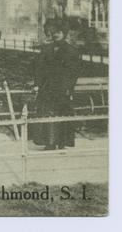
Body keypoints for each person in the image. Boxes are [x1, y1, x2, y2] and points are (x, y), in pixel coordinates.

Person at [32, 18, 80, 150]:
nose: (55, 34)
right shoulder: (47, 49)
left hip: (63, 88)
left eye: (58, 32)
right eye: (52, 32)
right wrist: (37, 84)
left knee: (62, 114)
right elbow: (39, 68)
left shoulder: (71, 51)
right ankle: (50, 142)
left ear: (63, 33)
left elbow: (73, 73)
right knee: (47, 113)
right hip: (47, 88)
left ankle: (62, 142)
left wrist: (69, 89)